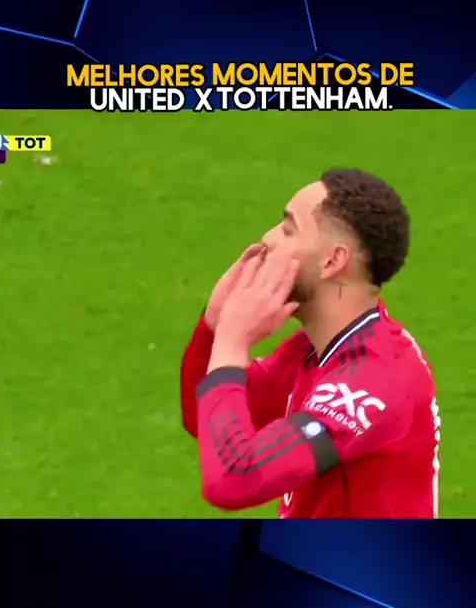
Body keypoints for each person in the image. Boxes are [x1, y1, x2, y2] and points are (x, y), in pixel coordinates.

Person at [180, 168, 440, 518]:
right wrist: (213, 328)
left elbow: (235, 478)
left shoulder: (374, 382)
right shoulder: (313, 349)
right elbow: (206, 420)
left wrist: (231, 343)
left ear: (332, 261)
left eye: (289, 229)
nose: (268, 238)